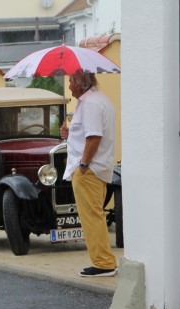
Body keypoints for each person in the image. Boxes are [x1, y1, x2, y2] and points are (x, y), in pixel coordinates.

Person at [60, 69, 117, 277]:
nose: (68, 86)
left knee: (92, 217)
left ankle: (103, 263)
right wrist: (70, 134)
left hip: (89, 170)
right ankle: (103, 261)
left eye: (70, 81)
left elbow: (94, 137)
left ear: (80, 82)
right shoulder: (96, 100)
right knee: (95, 215)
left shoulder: (90, 104)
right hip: (95, 168)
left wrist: (83, 165)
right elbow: (88, 135)